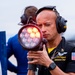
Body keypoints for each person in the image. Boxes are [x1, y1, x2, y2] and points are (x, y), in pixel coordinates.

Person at [27, 6, 75, 75]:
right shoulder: (38, 50)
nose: (43, 30)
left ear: (59, 25)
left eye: (47, 25)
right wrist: (31, 66)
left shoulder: (71, 49)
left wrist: (48, 63)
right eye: (39, 26)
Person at [7, 6, 38, 75]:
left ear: (23, 20)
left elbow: (2, 58)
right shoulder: (45, 38)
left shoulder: (13, 40)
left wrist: (16, 70)